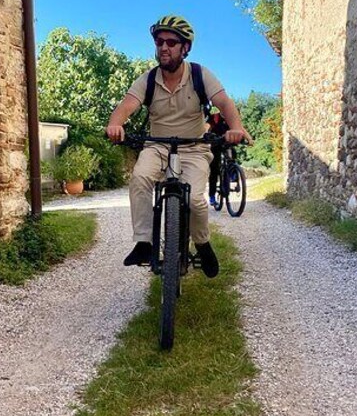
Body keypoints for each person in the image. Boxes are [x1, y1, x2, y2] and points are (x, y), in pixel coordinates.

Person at [105, 15, 250, 278]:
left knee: (195, 198)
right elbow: (126, 106)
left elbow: (225, 103)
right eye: (160, 41)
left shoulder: (199, 74)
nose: (164, 47)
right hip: (157, 146)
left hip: (194, 147)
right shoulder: (148, 79)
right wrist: (116, 125)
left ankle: (203, 244)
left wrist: (235, 128)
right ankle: (144, 243)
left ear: (185, 48)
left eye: (172, 43)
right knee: (139, 178)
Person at [206, 110, 233, 208]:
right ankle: (212, 196)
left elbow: (239, 127)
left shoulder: (231, 117)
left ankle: (233, 172)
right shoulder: (214, 118)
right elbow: (207, 126)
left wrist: (247, 138)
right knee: (214, 170)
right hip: (215, 144)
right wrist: (204, 134)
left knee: (232, 154)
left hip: (227, 142)